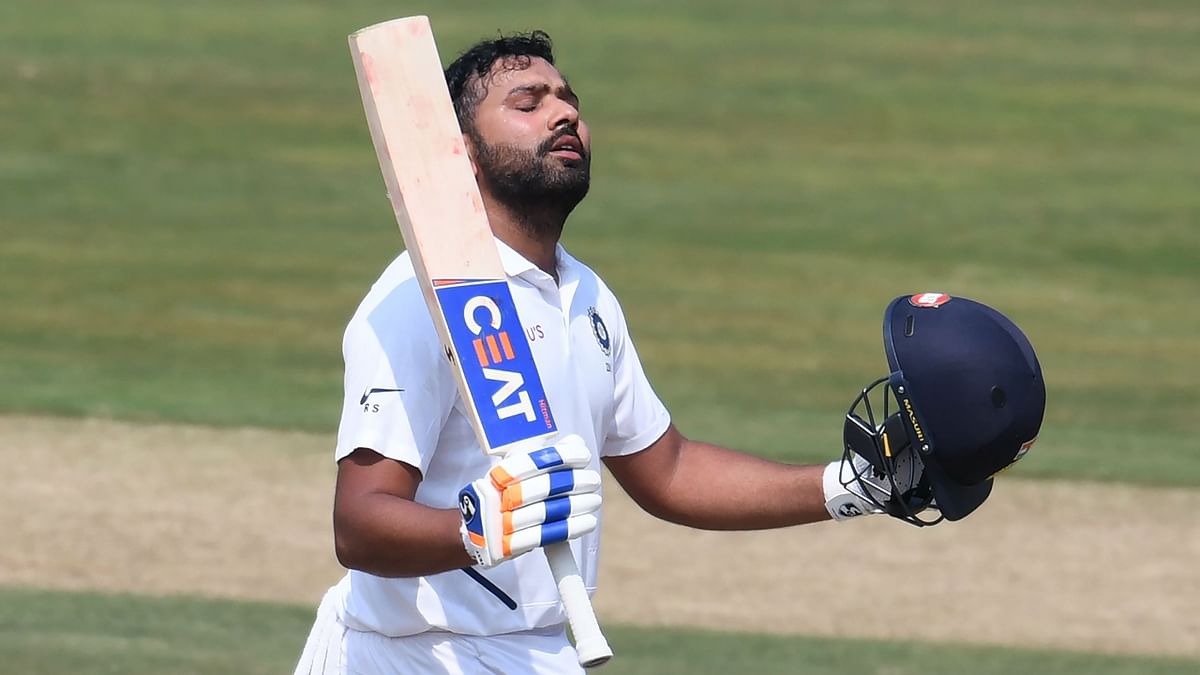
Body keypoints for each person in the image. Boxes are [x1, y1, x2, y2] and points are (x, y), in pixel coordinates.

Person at [293, 30, 1045, 675]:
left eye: (569, 100)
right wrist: (473, 528)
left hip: (538, 652)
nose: (564, 113)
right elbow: (358, 525)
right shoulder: (416, 302)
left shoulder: (585, 297)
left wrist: (849, 486)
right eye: (527, 103)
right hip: (408, 656)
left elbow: (670, 470)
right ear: (460, 155)